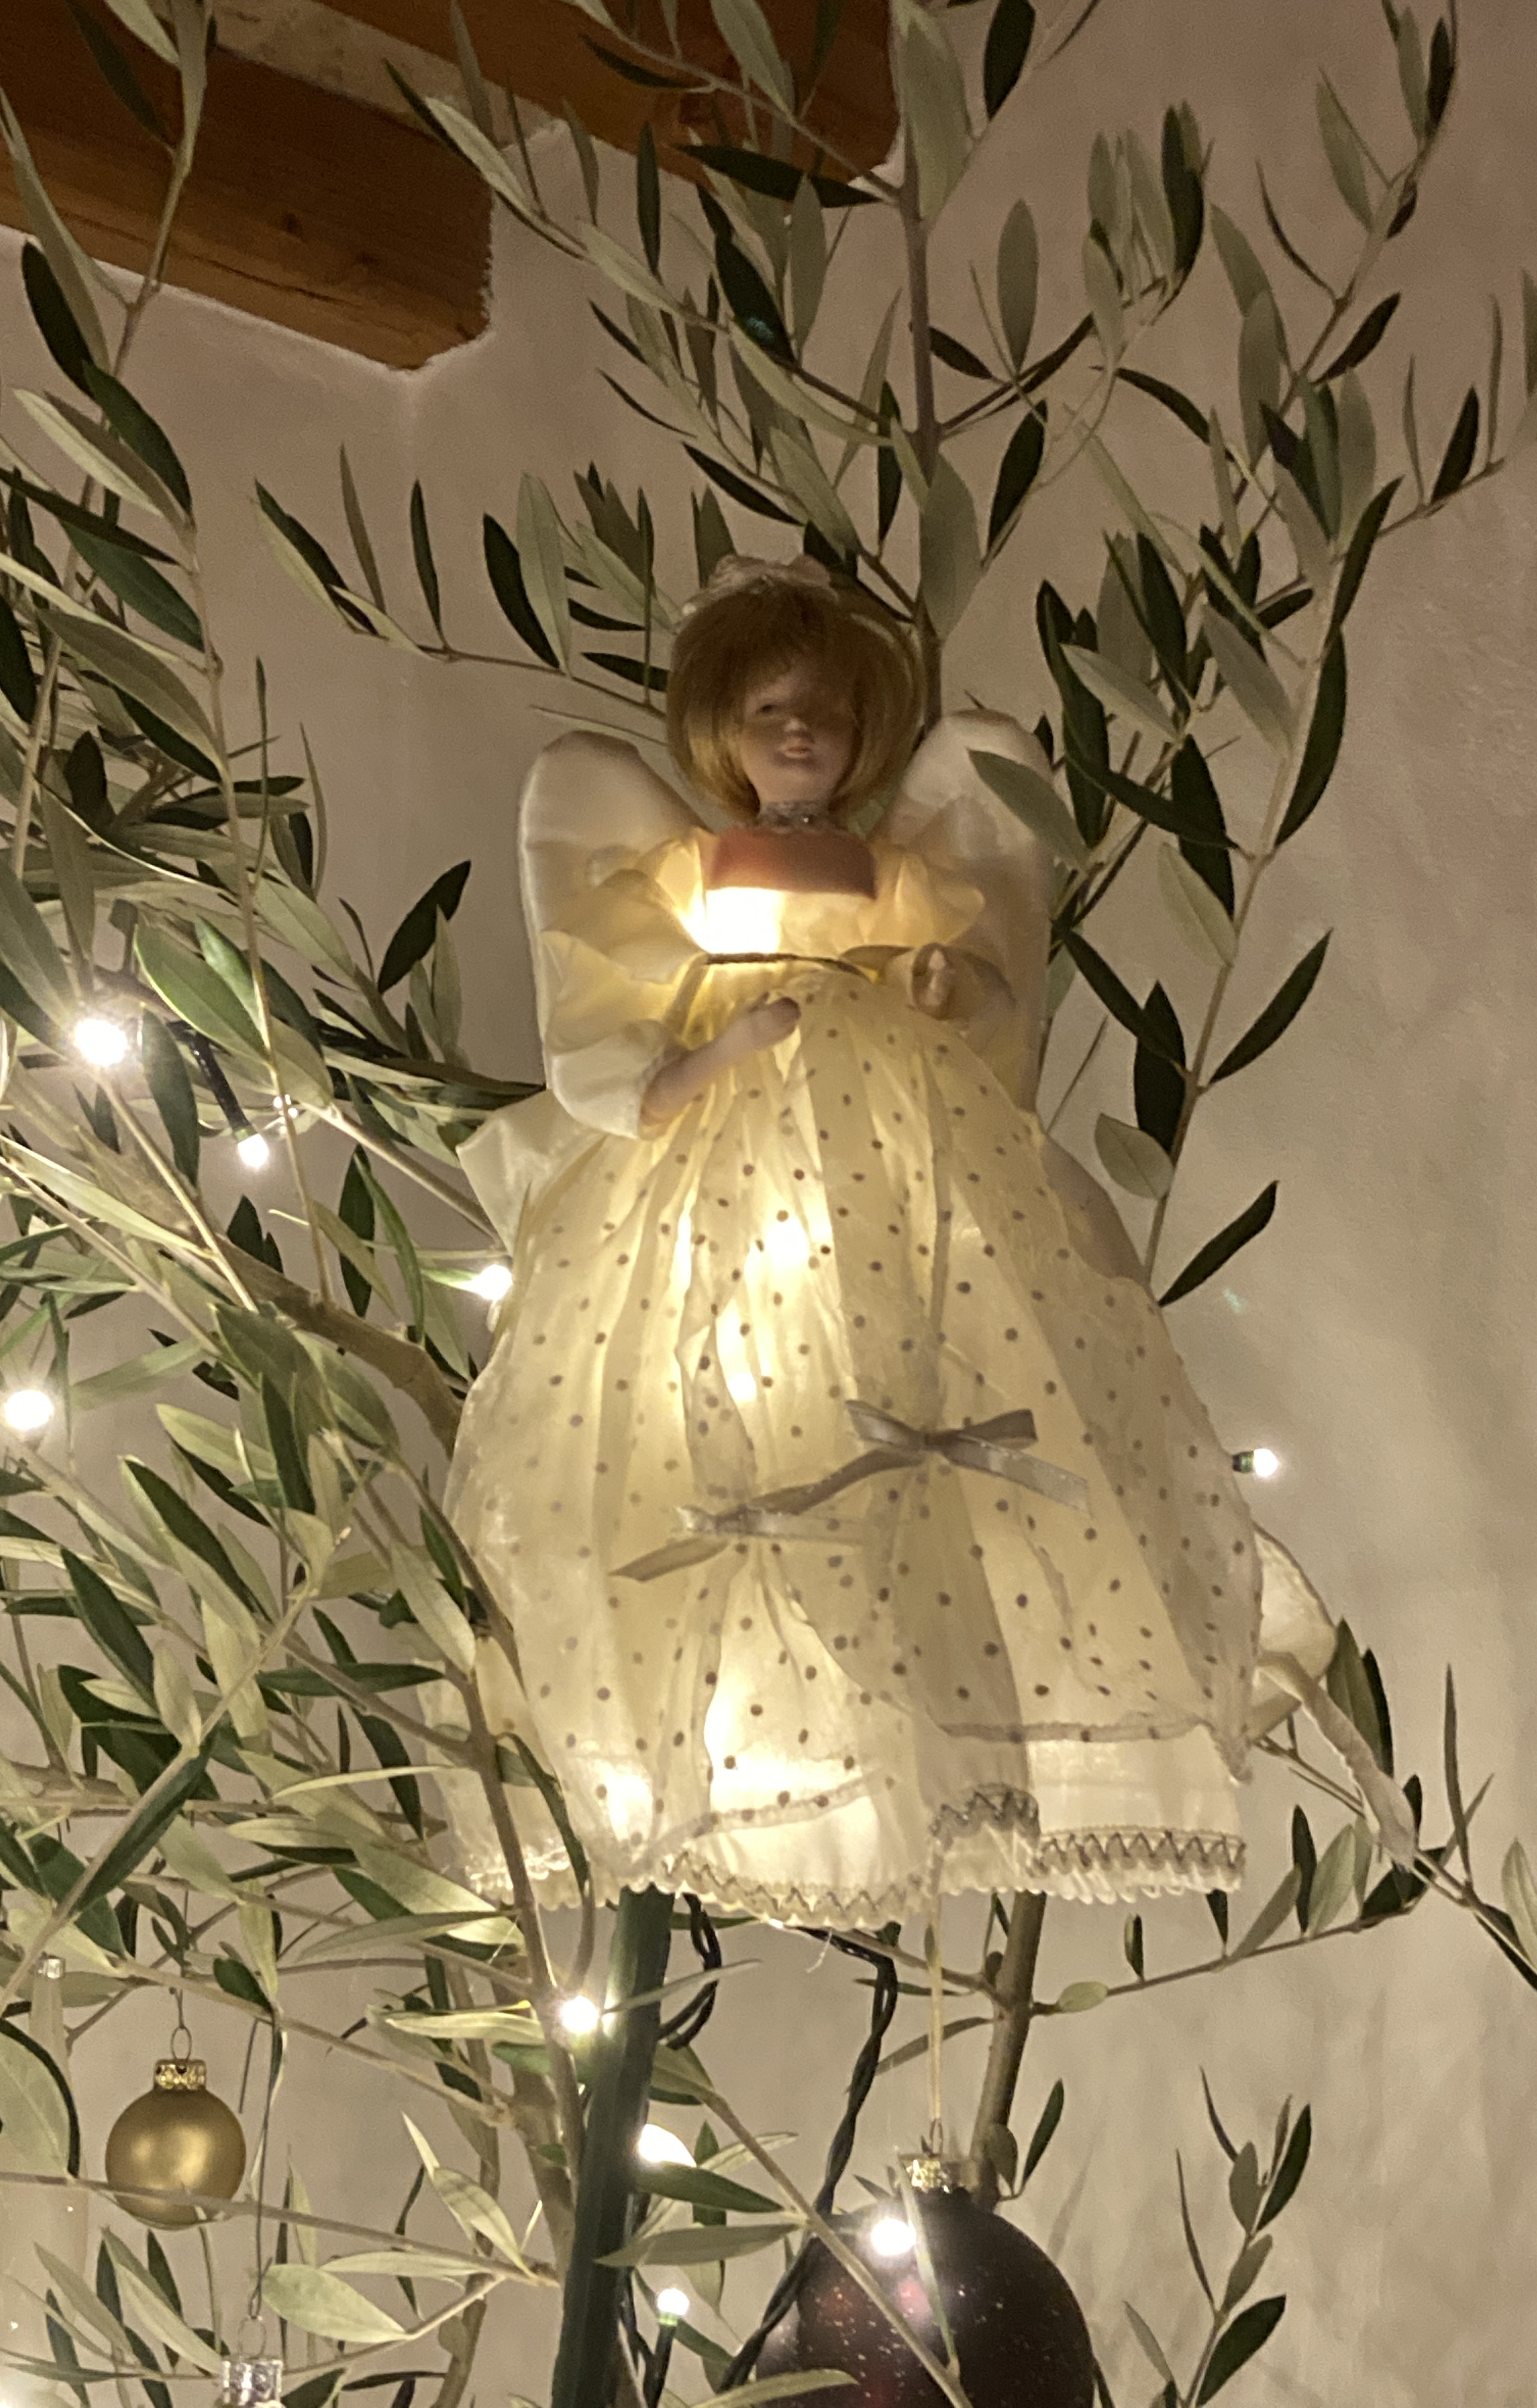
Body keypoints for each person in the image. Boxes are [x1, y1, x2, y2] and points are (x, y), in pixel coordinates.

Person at [439, 556, 1263, 1924]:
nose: (800, 733)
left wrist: (940, 984)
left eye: (821, 710)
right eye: (770, 711)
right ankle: (734, 1718)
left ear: (864, 727)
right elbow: (620, 1014)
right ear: (723, 726)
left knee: (924, 1362)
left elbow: (972, 998)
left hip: (892, 1133)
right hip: (728, 1149)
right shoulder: (682, 869)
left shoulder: (896, 870)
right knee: (709, 1393)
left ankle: (923, 1697)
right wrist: (718, 1053)